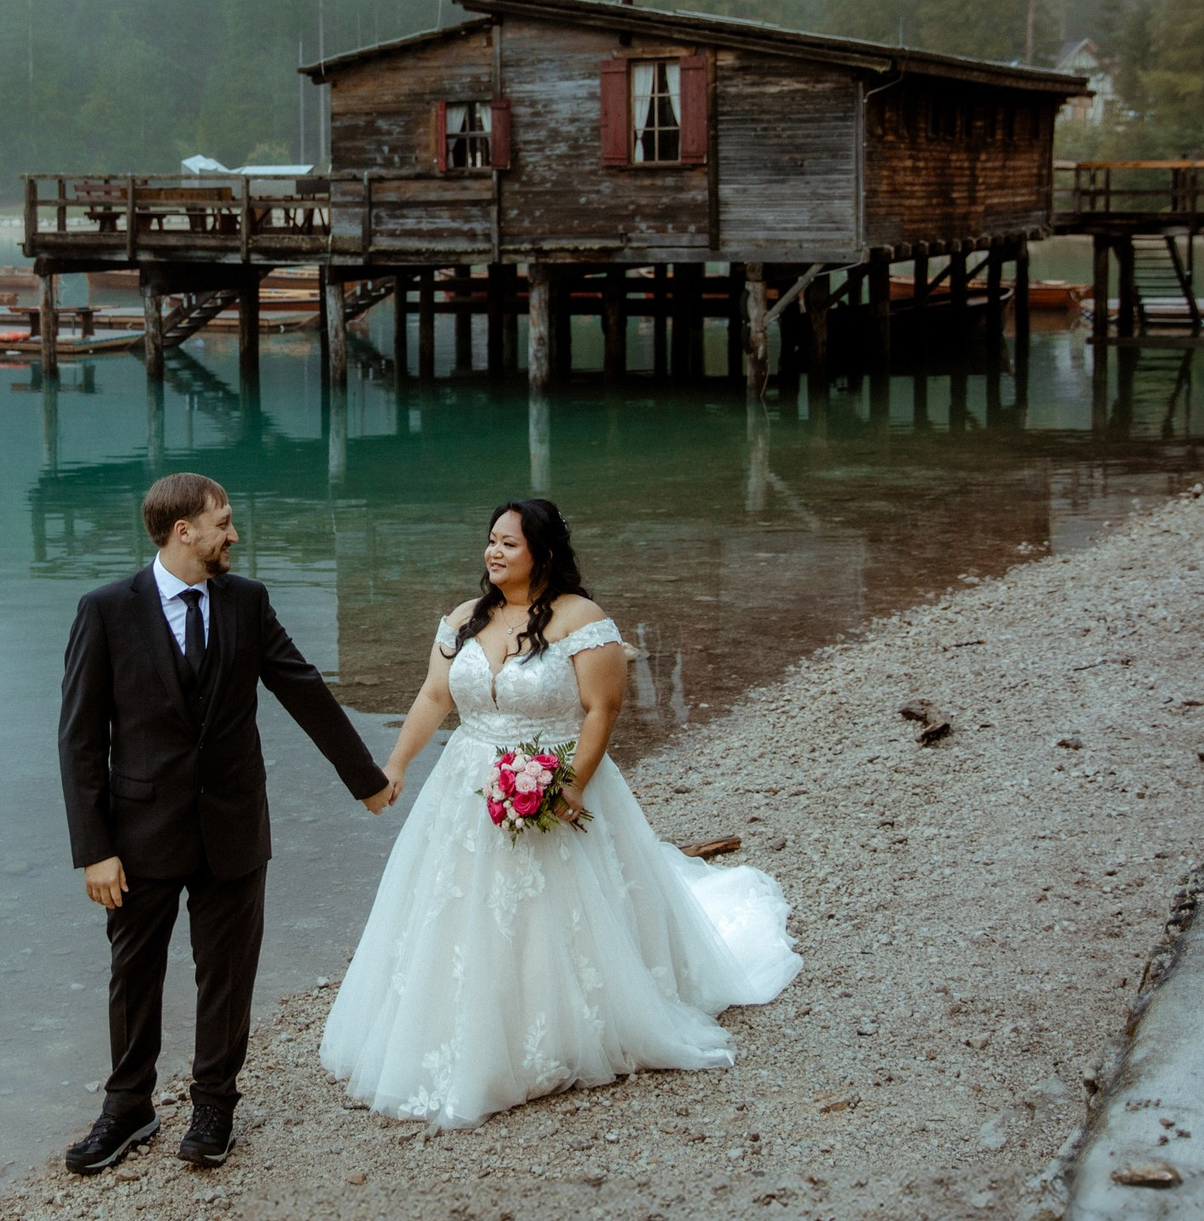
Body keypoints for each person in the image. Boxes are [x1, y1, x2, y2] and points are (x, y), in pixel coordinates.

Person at [319, 498, 801, 1129]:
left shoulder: (582, 619)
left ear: (542, 553)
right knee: (455, 908)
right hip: (465, 784)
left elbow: (602, 710)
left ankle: (565, 1028)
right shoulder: (465, 618)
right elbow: (436, 695)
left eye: (508, 544)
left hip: (554, 778)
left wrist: (569, 787)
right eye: (490, 540)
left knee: (557, 912)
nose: (493, 552)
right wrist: (398, 765)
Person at [57, 472, 397, 1174]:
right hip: (140, 833)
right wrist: (94, 849)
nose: (233, 534)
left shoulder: (247, 601)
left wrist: (365, 779)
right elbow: (81, 739)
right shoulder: (104, 610)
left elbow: (302, 686)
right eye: (223, 521)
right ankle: (128, 1106)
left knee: (228, 973)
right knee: (134, 972)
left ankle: (215, 1102)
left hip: (235, 826)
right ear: (184, 530)